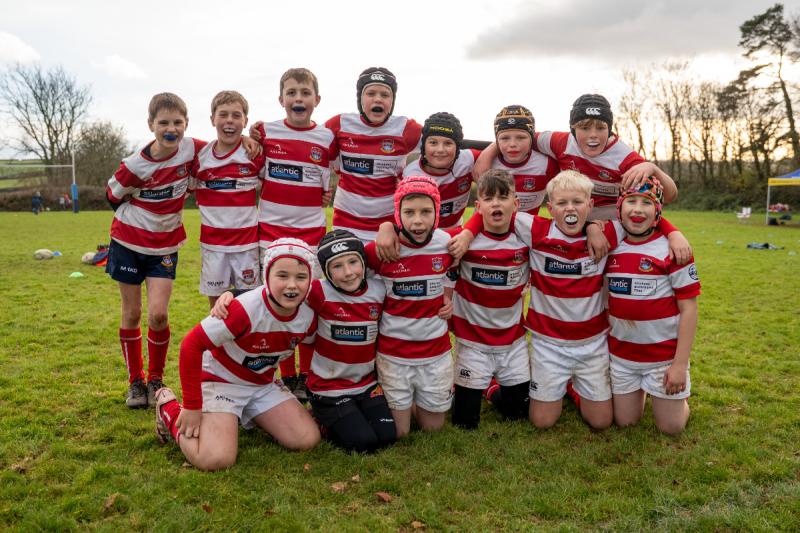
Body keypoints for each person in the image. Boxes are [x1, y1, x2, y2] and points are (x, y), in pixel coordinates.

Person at [154, 238, 321, 471]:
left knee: (306, 439)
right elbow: (191, 346)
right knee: (216, 459)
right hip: (222, 382)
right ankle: (169, 409)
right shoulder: (242, 309)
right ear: (267, 276)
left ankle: (246, 417)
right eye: (282, 276)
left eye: (301, 277)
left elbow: (315, 348)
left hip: (263, 384)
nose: (292, 285)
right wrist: (192, 406)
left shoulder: (309, 314)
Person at [105, 93, 205, 408]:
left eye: (178, 122)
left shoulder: (191, 149)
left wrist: (251, 136)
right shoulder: (134, 165)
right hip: (128, 243)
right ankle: (135, 382)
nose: (171, 128)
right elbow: (112, 195)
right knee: (133, 312)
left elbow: (224, 147)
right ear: (151, 125)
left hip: (164, 245)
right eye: (164, 122)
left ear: (186, 124)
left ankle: (155, 380)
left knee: (159, 315)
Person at [250, 68, 337, 400]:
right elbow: (251, 167)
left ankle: (309, 376)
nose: (298, 98)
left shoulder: (328, 138)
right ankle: (286, 377)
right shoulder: (265, 133)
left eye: (304, 92)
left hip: (311, 234)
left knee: (309, 305)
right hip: (270, 234)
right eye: (291, 93)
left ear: (316, 99)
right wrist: (251, 137)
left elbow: (338, 170)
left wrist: (326, 191)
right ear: (281, 99)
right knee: (276, 306)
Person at [474, 94, 678, 220]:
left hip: (612, 224)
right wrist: (489, 152)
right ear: (572, 129)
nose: (592, 135)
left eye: (600, 128)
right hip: (573, 218)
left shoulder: (624, 158)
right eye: (584, 128)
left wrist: (653, 168)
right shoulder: (559, 142)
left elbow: (669, 196)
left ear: (610, 129)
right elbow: (518, 137)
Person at [607, 179, 700, 435]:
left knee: (671, 428)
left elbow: (689, 309)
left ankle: (677, 401)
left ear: (658, 210)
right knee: (626, 422)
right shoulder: (610, 245)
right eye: (631, 201)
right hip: (622, 358)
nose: (638, 210)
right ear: (619, 207)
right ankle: (646, 391)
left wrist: (679, 365)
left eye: (647, 203)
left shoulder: (674, 250)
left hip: (663, 358)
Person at [364, 176, 455, 437]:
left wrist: (447, 296)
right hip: (395, 355)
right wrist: (385, 227)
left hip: (435, 352)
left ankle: (422, 396)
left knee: (433, 429)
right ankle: (396, 397)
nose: (417, 220)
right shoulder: (381, 249)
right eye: (409, 212)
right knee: (400, 433)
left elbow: (454, 271)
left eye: (426, 212)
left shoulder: (447, 243)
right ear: (398, 215)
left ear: (437, 213)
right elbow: (349, 277)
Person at [449, 170, 531, 429]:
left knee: (518, 413)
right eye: (489, 198)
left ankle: (492, 388)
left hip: (513, 341)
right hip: (472, 342)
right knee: (465, 422)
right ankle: (476, 385)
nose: (496, 203)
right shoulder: (461, 241)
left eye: (504, 197)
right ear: (478, 206)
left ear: (515, 204)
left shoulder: (527, 240)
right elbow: (420, 237)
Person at [326, 67, 423, 242]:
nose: (378, 99)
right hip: (345, 223)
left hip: (388, 226)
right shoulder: (339, 124)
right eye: (370, 93)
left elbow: (444, 145)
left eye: (385, 95)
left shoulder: (405, 129)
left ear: (392, 101)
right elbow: (309, 147)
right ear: (360, 99)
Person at [193, 90, 264, 308]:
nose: (229, 120)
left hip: (247, 246)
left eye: (236, 115)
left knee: (249, 306)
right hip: (213, 246)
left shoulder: (254, 155)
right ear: (212, 119)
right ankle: (218, 343)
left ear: (245, 121)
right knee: (217, 308)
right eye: (223, 115)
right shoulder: (199, 156)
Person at [402, 112, 480, 229]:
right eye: (433, 143)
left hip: (456, 233)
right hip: (422, 235)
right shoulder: (411, 174)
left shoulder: (468, 159)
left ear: (458, 147)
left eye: (448, 143)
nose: (440, 150)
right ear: (423, 146)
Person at [487, 105, 559, 216]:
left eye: (521, 137)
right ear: (496, 141)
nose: (513, 144)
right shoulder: (486, 162)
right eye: (505, 138)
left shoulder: (546, 164)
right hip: (490, 229)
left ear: (531, 138)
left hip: (527, 229)